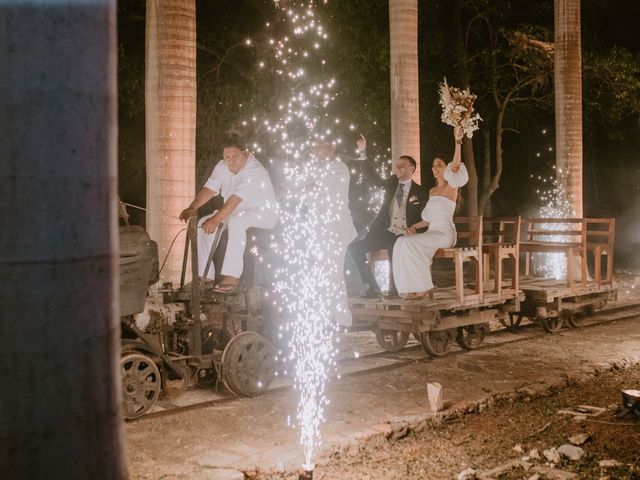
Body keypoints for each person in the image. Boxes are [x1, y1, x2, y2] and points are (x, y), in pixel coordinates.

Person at [179, 135, 278, 293]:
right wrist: (192, 207)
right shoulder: (222, 166)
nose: (230, 161)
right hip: (235, 210)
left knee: (236, 222)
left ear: (245, 153)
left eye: (234, 157)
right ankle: (205, 277)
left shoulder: (255, 170)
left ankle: (232, 276)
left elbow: (235, 199)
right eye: (226, 157)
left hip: (263, 213)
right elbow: (210, 189)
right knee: (201, 225)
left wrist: (217, 218)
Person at [348, 134, 428, 298]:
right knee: (355, 248)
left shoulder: (420, 192)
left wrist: (415, 230)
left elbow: (426, 217)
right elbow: (372, 177)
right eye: (397, 164)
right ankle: (371, 285)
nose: (398, 167)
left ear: (412, 169)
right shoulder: (392, 182)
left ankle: (397, 290)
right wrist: (363, 152)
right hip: (387, 231)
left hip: (405, 234)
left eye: (402, 165)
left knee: (396, 248)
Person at [392, 127, 469, 298]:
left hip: (445, 234)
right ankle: (406, 289)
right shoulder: (432, 191)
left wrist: (458, 142)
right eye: (433, 165)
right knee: (401, 243)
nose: (434, 168)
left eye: (439, 165)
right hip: (432, 231)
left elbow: (456, 165)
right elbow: (427, 220)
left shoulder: (451, 187)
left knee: (411, 244)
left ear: (447, 167)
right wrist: (412, 227)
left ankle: (424, 286)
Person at [297, 139, 358, 327]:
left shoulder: (339, 168)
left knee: (333, 271)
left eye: (321, 146)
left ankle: (339, 315)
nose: (316, 150)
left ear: (332, 148)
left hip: (336, 228)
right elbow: (301, 188)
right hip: (319, 228)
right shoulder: (314, 169)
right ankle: (329, 312)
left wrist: (308, 187)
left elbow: (323, 191)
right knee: (323, 270)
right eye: (314, 147)